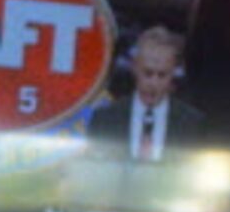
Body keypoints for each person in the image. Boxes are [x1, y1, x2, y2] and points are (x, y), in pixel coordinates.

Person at [84, 25, 203, 163]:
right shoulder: (105, 119)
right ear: (135, 68)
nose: (153, 83)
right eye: (148, 73)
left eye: (162, 75)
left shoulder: (191, 123)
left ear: (173, 74)